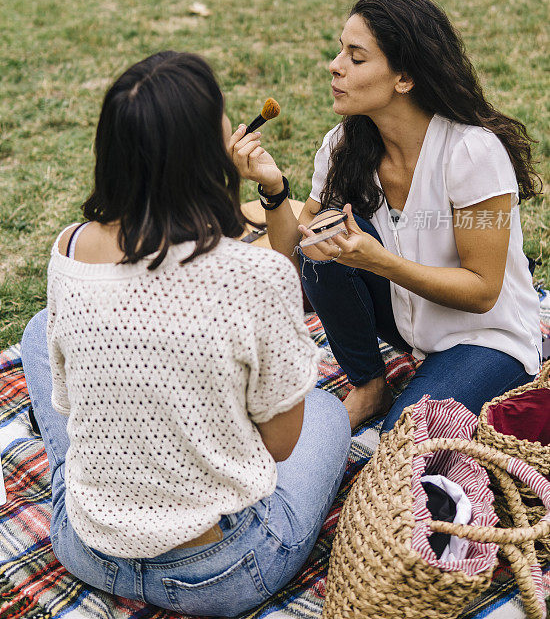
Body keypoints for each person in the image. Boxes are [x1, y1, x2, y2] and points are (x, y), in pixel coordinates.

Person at [20, 52, 351, 617]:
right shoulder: (257, 276)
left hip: (86, 547)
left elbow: (72, 404)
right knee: (324, 411)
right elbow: (279, 445)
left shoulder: (70, 249)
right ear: (204, 153)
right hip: (221, 571)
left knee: (39, 331)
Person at [230, 0, 542, 432]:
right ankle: (369, 384)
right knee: (322, 246)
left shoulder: (471, 153)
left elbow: (482, 292)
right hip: (408, 325)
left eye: (356, 58)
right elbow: (296, 252)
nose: (334, 65)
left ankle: (410, 399)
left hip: (485, 337)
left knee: (402, 441)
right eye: (340, 50)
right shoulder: (343, 145)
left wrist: (380, 262)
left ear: (405, 78)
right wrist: (274, 188)